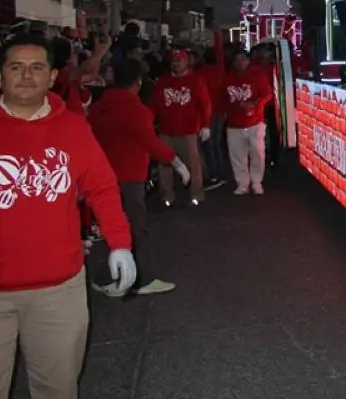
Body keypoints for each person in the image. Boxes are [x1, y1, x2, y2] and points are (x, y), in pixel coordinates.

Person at [0, 34, 136, 397]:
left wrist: (120, 244)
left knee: (56, 389)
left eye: (36, 68)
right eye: (16, 67)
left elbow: (102, 188)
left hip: (57, 291)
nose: (26, 76)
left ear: (52, 76)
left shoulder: (73, 128)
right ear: (1, 76)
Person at [88, 60, 189, 296]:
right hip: (129, 176)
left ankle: (105, 276)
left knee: (110, 225)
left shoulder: (99, 106)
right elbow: (150, 142)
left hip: (102, 175)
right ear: (138, 82)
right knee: (134, 227)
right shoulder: (134, 109)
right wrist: (176, 162)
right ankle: (134, 279)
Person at [150, 49, 211, 208]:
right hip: (166, 130)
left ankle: (196, 193)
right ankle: (167, 195)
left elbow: (205, 104)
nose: (176, 64)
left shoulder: (196, 81)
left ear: (186, 62)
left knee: (193, 163)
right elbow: (154, 105)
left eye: (179, 61)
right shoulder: (162, 82)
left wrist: (205, 124)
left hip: (188, 130)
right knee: (165, 164)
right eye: (173, 61)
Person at [221, 50, 272, 195]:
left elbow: (267, 94)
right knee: (237, 155)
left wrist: (256, 104)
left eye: (243, 59)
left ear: (248, 61)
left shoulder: (257, 75)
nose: (240, 63)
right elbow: (223, 98)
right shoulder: (227, 78)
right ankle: (242, 183)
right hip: (234, 123)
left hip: (255, 122)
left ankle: (256, 182)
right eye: (237, 60)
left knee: (257, 153)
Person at [196, 47, 228, 189]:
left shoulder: (200, 73)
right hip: (220, 110)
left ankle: (213, 174)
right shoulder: (221, 72)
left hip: (207, 112)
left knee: (208, 144)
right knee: (216, 143)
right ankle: (219, 173)